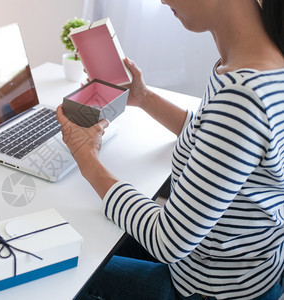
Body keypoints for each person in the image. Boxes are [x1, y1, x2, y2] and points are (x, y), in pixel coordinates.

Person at [56, 0, 284, 299]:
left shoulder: (242, 97)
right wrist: (143, 97)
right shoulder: (258, 64)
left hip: (205, 288)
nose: (162, 0)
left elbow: (169, 241)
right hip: (240, 269)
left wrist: (85, 154)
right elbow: (217, 141)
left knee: (61, 275)